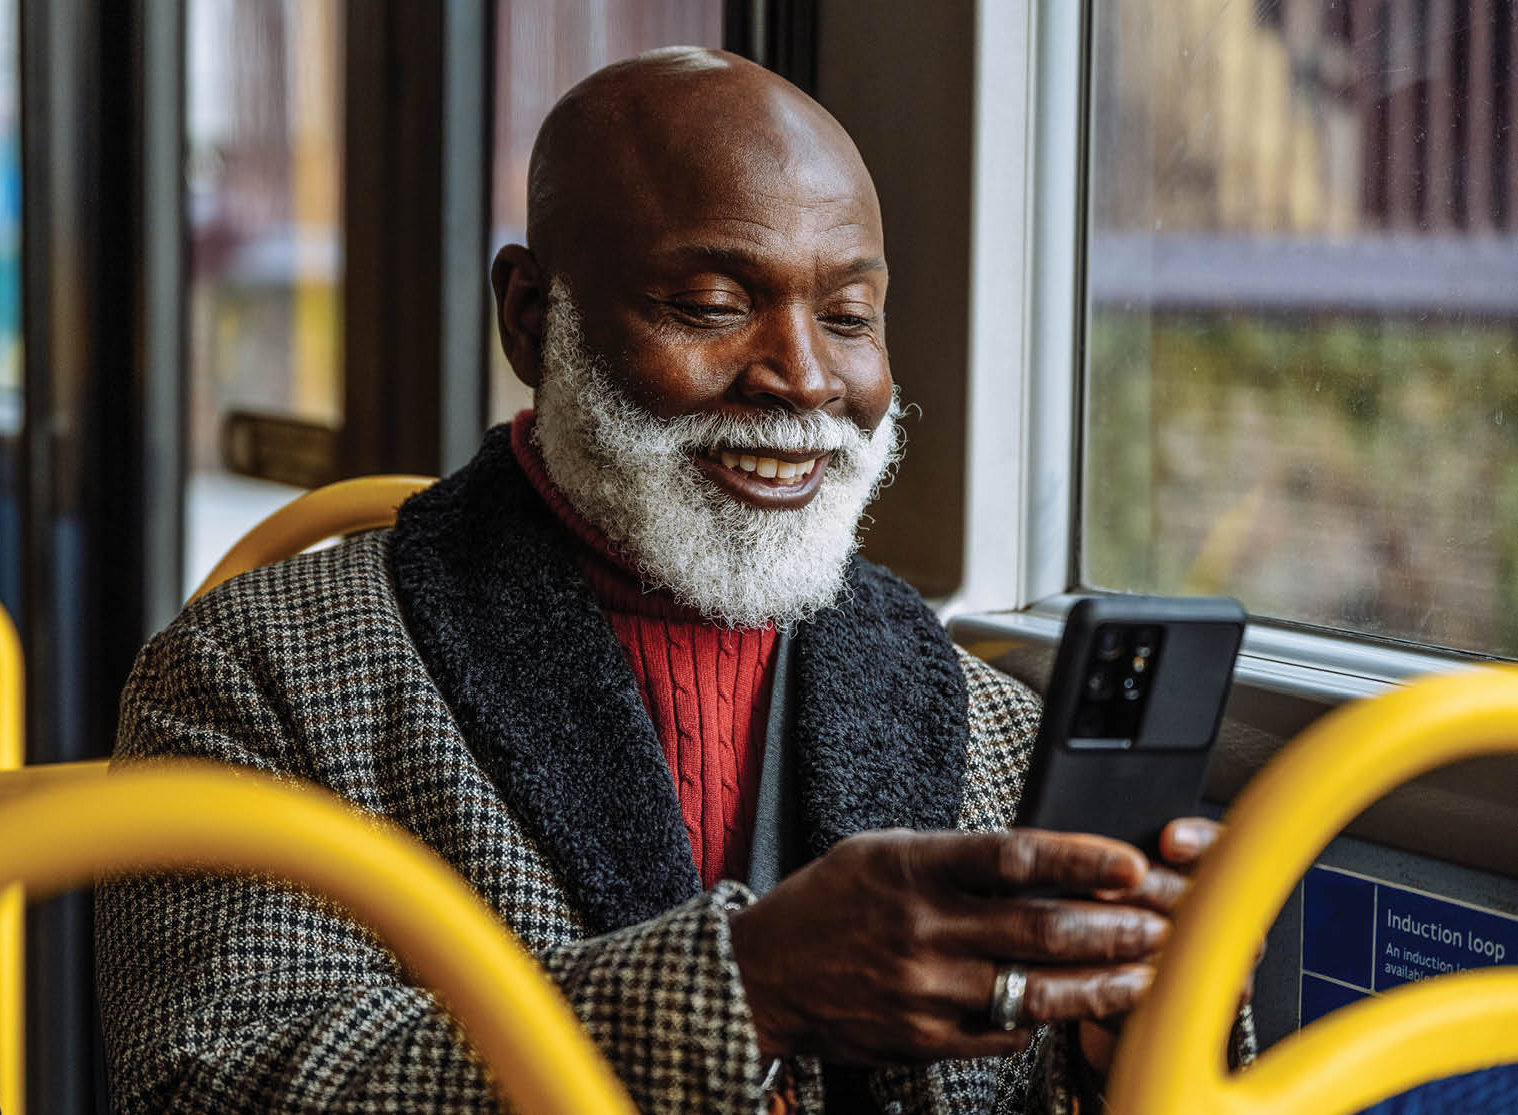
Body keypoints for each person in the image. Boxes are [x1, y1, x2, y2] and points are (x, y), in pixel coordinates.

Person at [96, 48, 1249, 1114]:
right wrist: (743, 993)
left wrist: (1134, 1041)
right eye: (712, 305)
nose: (802, 377)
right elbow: (213, 1082)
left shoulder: (989, 725)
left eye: (849, 317)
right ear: (534, 317)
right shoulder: (258, 676)